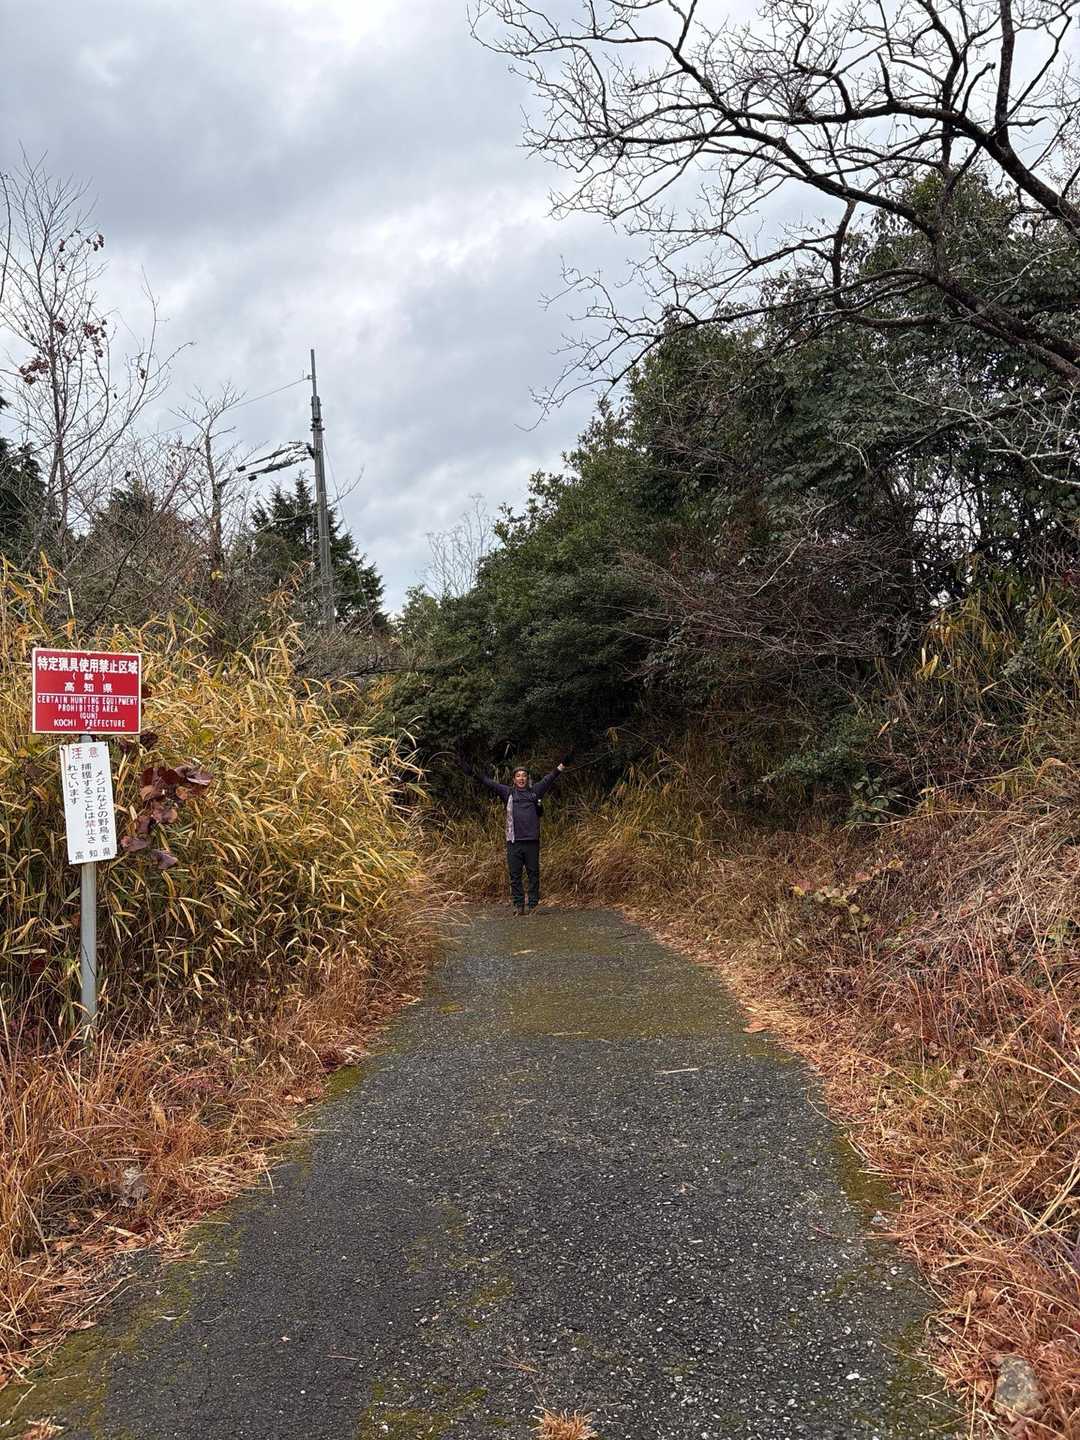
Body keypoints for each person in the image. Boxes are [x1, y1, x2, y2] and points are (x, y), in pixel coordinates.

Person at [461, 756, 572, 915]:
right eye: (518, 776)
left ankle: (533, 905)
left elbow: (551, 777)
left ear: (528, 779)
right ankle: (519, 906)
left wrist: (563, 764)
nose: (521, 778)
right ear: (514, 779)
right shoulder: (508, 793)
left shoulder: (535, 791)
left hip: (532, 841)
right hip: (513, 841)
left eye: (524, 776)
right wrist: (472, 772)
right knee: (515, 875)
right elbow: (489, 783)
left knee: (533, 874)